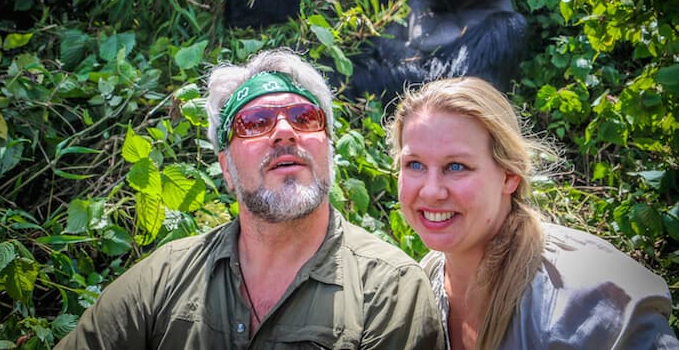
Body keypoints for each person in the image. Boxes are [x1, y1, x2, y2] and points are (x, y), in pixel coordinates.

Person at [56, 48, 445, 349]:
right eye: (255, 123)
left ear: (327, 149)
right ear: (226, 167)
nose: (284, 132)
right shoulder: (164, 278)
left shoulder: (389, 289)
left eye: (304, 117)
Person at [385, 76, 678, 350]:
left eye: (456, 166)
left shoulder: (592, 296)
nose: (431, 191)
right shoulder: (425, 278)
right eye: (415, 164)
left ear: (510, 175)